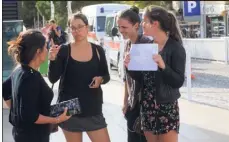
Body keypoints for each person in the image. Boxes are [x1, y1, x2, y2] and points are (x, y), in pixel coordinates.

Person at [124, 5, 186, 142]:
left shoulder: (175, 48)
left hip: (166, 108)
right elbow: (142, 78)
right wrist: (130, 67)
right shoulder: (147, 46)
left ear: (155, 24)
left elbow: (179, 81)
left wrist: (163, 66)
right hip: (147, 107)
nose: (142, 24)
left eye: (145, 21)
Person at [48, 12, 111, 142]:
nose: (77, 31)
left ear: (87, 27)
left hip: (93, 109)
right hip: (70, 110)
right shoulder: (65, 50)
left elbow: (106, 75)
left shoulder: (98, 50)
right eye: (73, 27)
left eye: (80, 26)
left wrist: (101, 79)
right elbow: (53, 78)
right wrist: (53, 60)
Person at [2, 29, 71, 142]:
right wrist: (57, 119)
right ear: (38, 51)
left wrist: (17, 110)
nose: (47, 50)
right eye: (45, 47)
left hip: (22, 133)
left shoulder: (20, 69)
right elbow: (31, 116)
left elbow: (5, 90)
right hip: (33, 136)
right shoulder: (30, 77)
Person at [117, 6, 151, 142]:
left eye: (124, 27)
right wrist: (126, 102)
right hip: (133, 106)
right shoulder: (127, 45)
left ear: (136, 25)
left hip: (146, 107)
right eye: (119, 27)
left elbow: (148, 79)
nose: (120, 31)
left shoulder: (146, 44)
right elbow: (127, 78)